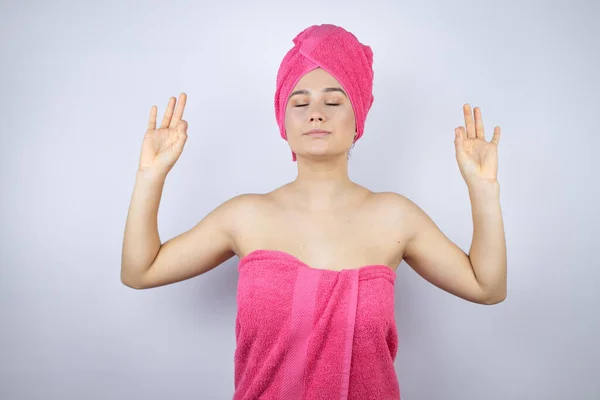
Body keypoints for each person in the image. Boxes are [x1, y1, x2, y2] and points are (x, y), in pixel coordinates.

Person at [121, 24, 506, 400]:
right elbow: (141, 270)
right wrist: (149, 176)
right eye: (300, 102)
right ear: (283, 122)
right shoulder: (245, 216)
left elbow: (486, 287)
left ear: (358, 118)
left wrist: (483, 190)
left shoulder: (395, 217)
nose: (316, 113)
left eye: (334, 101)